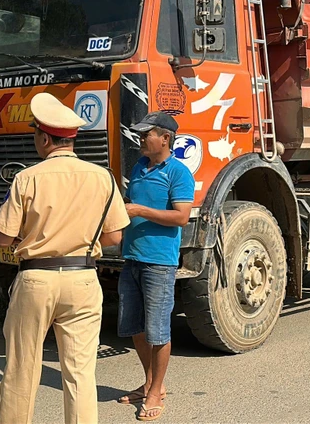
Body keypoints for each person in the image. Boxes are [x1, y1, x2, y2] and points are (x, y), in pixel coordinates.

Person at [0, 92, 130, 424]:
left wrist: (31, 238)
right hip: (83, 278)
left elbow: (2, 238)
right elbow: (114, 237)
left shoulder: (27, 178)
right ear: (71, 139)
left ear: (44, 138)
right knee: (80, 373)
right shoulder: (103, 177)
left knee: (22, 369)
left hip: (36, 280)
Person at [117, 112, 195, 422]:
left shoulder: (178, 172)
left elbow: (181, 217)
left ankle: (156, 392)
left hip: (159, 262)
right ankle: (150, 383)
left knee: (158, 331)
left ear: (165, 138)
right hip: (132, 258)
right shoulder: (139, 167)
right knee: (134, 326)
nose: (140, 139)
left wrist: (139, 210)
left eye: (146, 134)